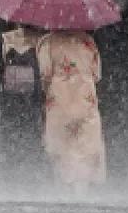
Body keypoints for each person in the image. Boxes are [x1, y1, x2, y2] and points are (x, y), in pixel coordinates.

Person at [35, 30, 107, 193]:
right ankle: (82, 189)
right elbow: (96, 74)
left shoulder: (47, 42)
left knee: (61, 146)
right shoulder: (88, 41)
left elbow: (45, 74)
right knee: (85, 146)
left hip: (60, 101)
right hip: (85, 100)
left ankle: (63, 188)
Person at [0, 23, 47, 178]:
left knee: (10, 136)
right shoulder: (42, 41)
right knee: (32, 136)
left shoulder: (7, 39)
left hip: (11, 98)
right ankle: (30, 174)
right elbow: (45, 72)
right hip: (33, 97)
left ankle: (12, 172)